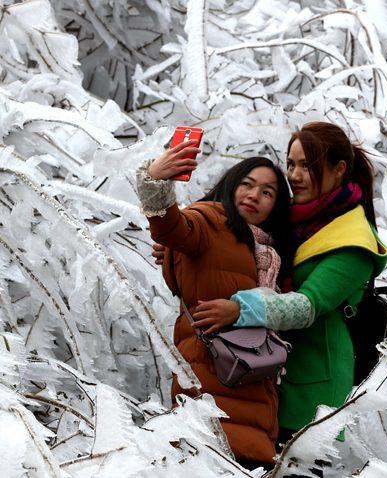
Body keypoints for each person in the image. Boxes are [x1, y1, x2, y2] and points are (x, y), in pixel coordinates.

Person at [189, 122, 387, 445]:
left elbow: (307, 306)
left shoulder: (355, 243)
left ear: (338, 170)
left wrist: (239, 310)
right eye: (291, 163)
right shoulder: (295, 218)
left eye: (307, 166)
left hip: (311, 387)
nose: (294, 176)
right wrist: (180, 248)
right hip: (264, 374)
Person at [135, 138, 293, 466]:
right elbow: (172, 228)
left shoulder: (266, 252)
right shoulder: (210, 220)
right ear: (231, 185)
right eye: (247, 185)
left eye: (267, 192)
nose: (254, 196)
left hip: (256, 391)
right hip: (212, 383)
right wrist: (155, 180)